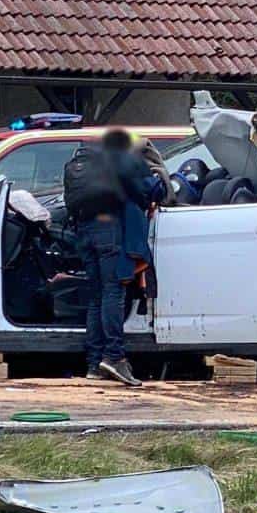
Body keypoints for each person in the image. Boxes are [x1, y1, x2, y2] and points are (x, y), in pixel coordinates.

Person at [65, 128, 165, 387]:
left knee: (97, 296)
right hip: (111, 231)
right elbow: (155, 190)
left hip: (85, 232)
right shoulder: (125, 160)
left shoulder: (79, 162)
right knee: (114, 293)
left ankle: (94, 363)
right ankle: (115, 357)